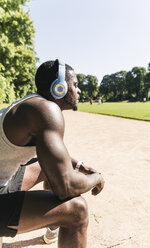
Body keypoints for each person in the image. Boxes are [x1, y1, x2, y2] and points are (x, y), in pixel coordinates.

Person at [0, 59, 105, 248]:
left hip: (3, 182)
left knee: (46, 166)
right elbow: (66, 187)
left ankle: (51, 231)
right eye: (75, 85)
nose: (79, 90)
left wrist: (79, 165)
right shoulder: (47, 111)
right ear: (59, 87)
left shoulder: (32, 104)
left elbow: (51, 157)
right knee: (77, 211)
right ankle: (58, 224)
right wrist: (97, 178)